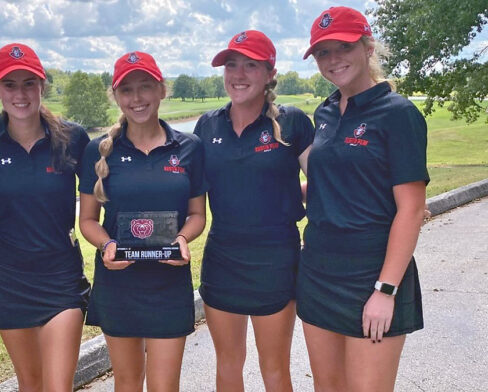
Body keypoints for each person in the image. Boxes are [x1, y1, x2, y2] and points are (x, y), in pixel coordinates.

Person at [297, 6, 427, 391]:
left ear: (368, 47)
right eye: (323, 52)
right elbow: (334, 185)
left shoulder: (398, 114)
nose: (333, 59)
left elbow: (412, 208)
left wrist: (385, 290)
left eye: (343, 47)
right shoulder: (324, 112)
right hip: (318, 273)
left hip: (372, 276)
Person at [78, 51, 207, 391]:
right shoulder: (98, 151)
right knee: (128, 383)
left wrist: (182, 239)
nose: (137, 98)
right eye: (127, 90)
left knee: (165, 386)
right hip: (119, 283)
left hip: (168, 282)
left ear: (162, 90)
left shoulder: (189, 147)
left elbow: (197, 215)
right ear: (116, 96)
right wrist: (107, 245)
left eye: (146, 87)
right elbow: (88, 220)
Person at [194, 30, 314, 391]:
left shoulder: (292, 122)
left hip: (275, 260)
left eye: (250, 65)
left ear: (269, 73)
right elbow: (186, 194)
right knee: (229, 364)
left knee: (274, 368)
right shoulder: (207, 125)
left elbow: (326, 183)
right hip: (223, 258)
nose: (238, 74)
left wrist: (392, 204)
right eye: (231, 65)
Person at [0, 43, 91, 391]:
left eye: (29, 83)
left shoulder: (72, 138)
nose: (20, 94)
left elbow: (101, 194)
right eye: (10, 85)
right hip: (10, 280)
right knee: (30, 383)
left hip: (61, 278)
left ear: (43, 86)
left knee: (57, 386)